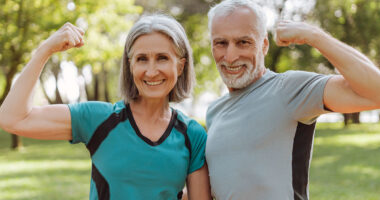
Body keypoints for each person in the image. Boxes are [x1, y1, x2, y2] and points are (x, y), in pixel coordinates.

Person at [0, 14, 212, 200]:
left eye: (162, 58)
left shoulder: (192, 135)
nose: (151, 70)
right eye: (142, 59)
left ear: (181, 65)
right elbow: (12, 118)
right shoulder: (98, 119)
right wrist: (44, 50)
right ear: (130, 66)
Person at [204, 0, 380, 200]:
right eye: (221, 43)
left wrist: (313, 35)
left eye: (243, 42)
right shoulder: (214, 112)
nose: (230, 56)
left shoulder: (288, 89)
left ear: (264, 46)